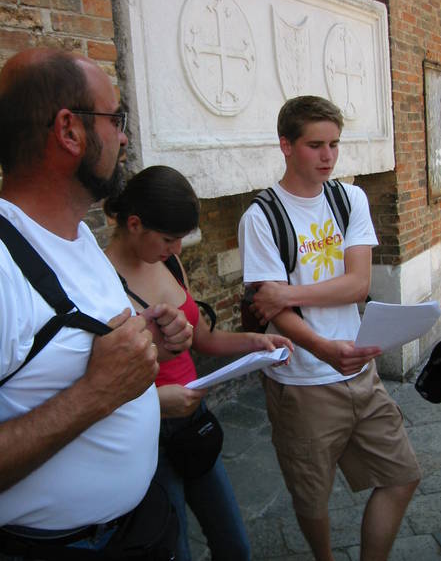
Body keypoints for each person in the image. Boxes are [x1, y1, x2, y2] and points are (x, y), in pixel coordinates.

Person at [0, 48, 193, 559]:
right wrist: (95, 393)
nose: (124, 136)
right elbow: (97, 383)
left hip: (139, 527)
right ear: (69, 131)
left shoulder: (80, 236)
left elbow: (72, 353)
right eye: (116, 118)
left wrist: (150, 335)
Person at [238, 95, 421, 561]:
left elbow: (358, 285)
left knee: (403, 476)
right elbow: (270, 310)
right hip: (302, 382)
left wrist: (290, 292)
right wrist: (320, 346)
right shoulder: (262, 217)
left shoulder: (348, 198)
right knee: (311, 497)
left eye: (334, 145)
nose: (328, 157)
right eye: (315, 145)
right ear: (286, 145)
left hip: (360, 371)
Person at [103, 165, 293, 561]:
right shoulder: (100, 281)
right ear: (134, 224)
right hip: (146, 430)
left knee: (235, 544)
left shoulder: (170, 263)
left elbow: (202, 339)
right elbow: (98, 384)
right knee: (176, 548)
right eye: (169, 239)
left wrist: (255, 342)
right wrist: (157, 399)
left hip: (193, 419)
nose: (177, 250)